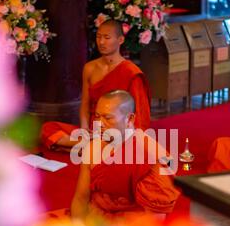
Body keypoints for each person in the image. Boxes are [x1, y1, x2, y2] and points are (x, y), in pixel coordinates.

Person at [41, 19, 151, 152]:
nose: (101, 42)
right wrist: (84, 130)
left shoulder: (131, 72)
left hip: (116, 131)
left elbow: (140, 115)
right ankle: (87, 147)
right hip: (94, 130)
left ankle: (81, 148)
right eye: (98, 37)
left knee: (126, 146)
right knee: (48, 128)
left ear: (120, 40)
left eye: (107, 37)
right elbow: (85, 104)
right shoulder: (90, 68)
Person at [69, 90, 179, 220]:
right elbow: (81, 199)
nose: (99, 124)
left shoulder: (151, 156)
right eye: (97, 116)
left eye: (108, 118)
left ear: (130, 119)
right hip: (95, 221)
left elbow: (155, 219)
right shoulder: (94, 147)